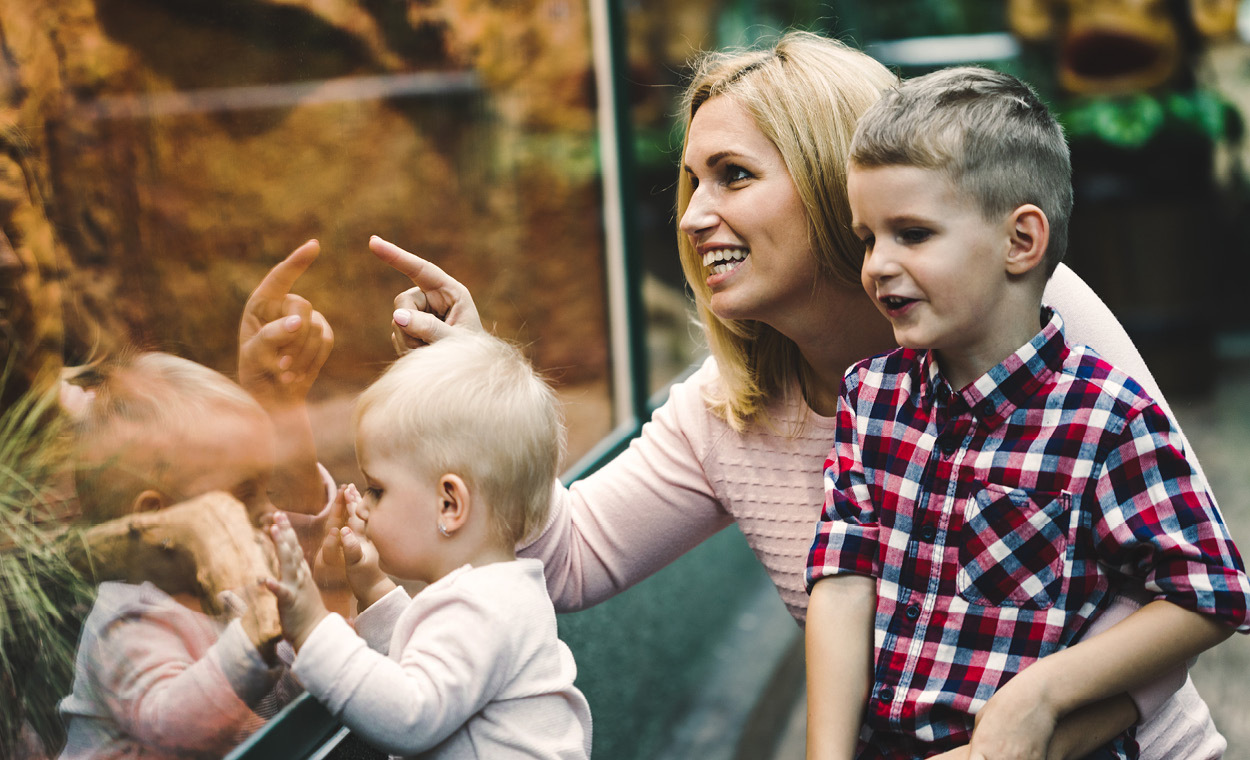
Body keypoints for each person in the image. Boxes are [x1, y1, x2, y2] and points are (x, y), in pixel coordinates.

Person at [369, 30, 1233, 757]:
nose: (693, 215)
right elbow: (560, 558)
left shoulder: (1028, 310)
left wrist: (1031, 719)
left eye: (734, 176)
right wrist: (477, 403)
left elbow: (1180, 580)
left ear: (830, 178)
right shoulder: (731, 405)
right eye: (690, 183)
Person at [804, 66, 1250, 760]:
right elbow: (843, 576)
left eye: (912, 233)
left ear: (1021, 241)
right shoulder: (870, 396)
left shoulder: (1107, 418)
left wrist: (1042, 693)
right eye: (867, 238)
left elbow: (1210, 593)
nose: (877, 265)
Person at [57, 244, 336, 759]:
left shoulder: (221, 582)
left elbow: (283, 701)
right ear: (157, 519)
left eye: (265, 488)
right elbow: (175, 725)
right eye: (243, 493)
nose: (268, 511)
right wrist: (254, 642)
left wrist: (314, 649)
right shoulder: (130, 618)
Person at [264, 331, 593, 760]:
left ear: (449, 504)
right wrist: (372, 586)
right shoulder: (496, 594)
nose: (364, 504)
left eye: (377, 489)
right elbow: (427, 658)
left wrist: (313, 630)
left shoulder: (479, 611)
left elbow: (410, 715)